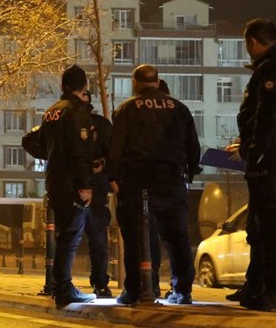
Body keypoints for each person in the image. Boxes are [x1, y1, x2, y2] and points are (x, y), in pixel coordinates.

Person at [107, 64, 201, 305]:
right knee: (177, 237)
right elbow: (193, 145)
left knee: (137, 236)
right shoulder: (179, 108)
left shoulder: (127, 109)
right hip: (172, 181)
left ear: (135, 83)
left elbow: (116, 146)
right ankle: (182, 290)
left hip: (138, 181)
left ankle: (139, 289)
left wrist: (113, 177)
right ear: (158, 82)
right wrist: (190, 172)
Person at [226, 18, 276, 312]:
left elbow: (268, 116)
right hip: (275, 155)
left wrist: (254, 151)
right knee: (260, 225)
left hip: (272, 158)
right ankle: (258, 286)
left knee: (273, 226)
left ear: (253, 42)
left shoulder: (273, 69)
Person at [41, 64, 97, 307]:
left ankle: (60, 286)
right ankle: (63, 288)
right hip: (71, 183)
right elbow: (80, 151)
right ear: (83, 85)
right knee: (70, 235)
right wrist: (85, 184)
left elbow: (40, 144)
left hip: (54, 179)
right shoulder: (76, 111)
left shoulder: (52, 111)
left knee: (64, 234)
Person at [82, 89, 114, 298]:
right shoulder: (65, 121)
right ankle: (59, 282)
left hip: (96, 187)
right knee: (68, 238)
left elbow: (113, 152)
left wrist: (101, 165)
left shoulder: (101, 126)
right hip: (75, 185)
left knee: (98, 239)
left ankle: (100, 281)